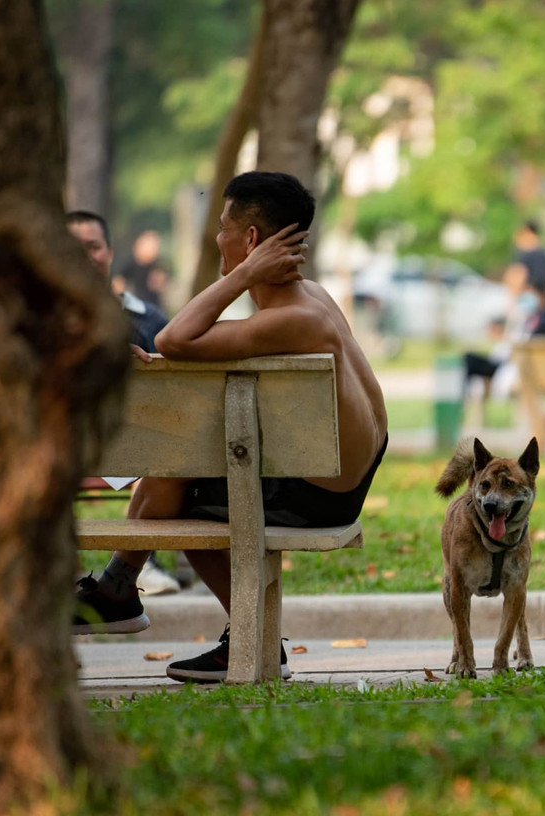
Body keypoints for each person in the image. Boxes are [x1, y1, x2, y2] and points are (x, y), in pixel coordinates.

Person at [72, 172, 389, 683]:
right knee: (178, 464)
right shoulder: (313, 298)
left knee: (179, 491)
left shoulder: (296, 317)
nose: (215, 238)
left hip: (321, 495)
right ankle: (118, 588)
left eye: (222, 227)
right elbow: (187, 349)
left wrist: (238, 277)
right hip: (332, 478)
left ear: (251, 241)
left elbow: (176, 337)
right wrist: (156, 360)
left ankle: (137, 597)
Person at [65, 210, 182, 596]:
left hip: (128, 442)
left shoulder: (146, 320)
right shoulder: (35, 322)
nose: (84, 256)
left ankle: (143, 563)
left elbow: (170, 394)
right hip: (63, 443)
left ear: (110, 252)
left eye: (93, 246)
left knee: (153, 452)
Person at [510, 220, 545, 335]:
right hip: (542, 302)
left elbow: (519, 276)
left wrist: (512, 300)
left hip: (527, 299)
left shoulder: (525, 254)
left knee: (521, 336)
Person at [113, 229, 169, 309]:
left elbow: (160, 285)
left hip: (154, 306)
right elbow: (118, 283)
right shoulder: (131, 263)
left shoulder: (158, 265)